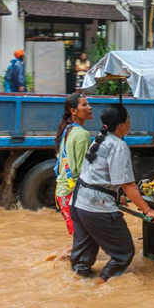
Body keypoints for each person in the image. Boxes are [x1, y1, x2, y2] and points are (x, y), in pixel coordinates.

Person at [70, 104, 154, 284]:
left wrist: (114, 195)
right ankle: (98, 287)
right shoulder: (118, 146)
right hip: (96, 207)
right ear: (121, 125)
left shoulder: (99, 140)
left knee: (83, 261)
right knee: (123, 253)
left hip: (78, 203)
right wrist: (147, 210)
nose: (129, 123)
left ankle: (79, 287)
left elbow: (96, 175)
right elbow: (128, 184)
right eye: (128, 119)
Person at [54, 94, 94, 256]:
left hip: (63, 193)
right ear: (74, 111)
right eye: (84, 105)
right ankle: (56, 263)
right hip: (73, 194)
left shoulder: (68, 130)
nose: (89, 107)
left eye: (89, 104)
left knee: (81, 240)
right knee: (85, 242)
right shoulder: (83, 135)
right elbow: (84, 170)